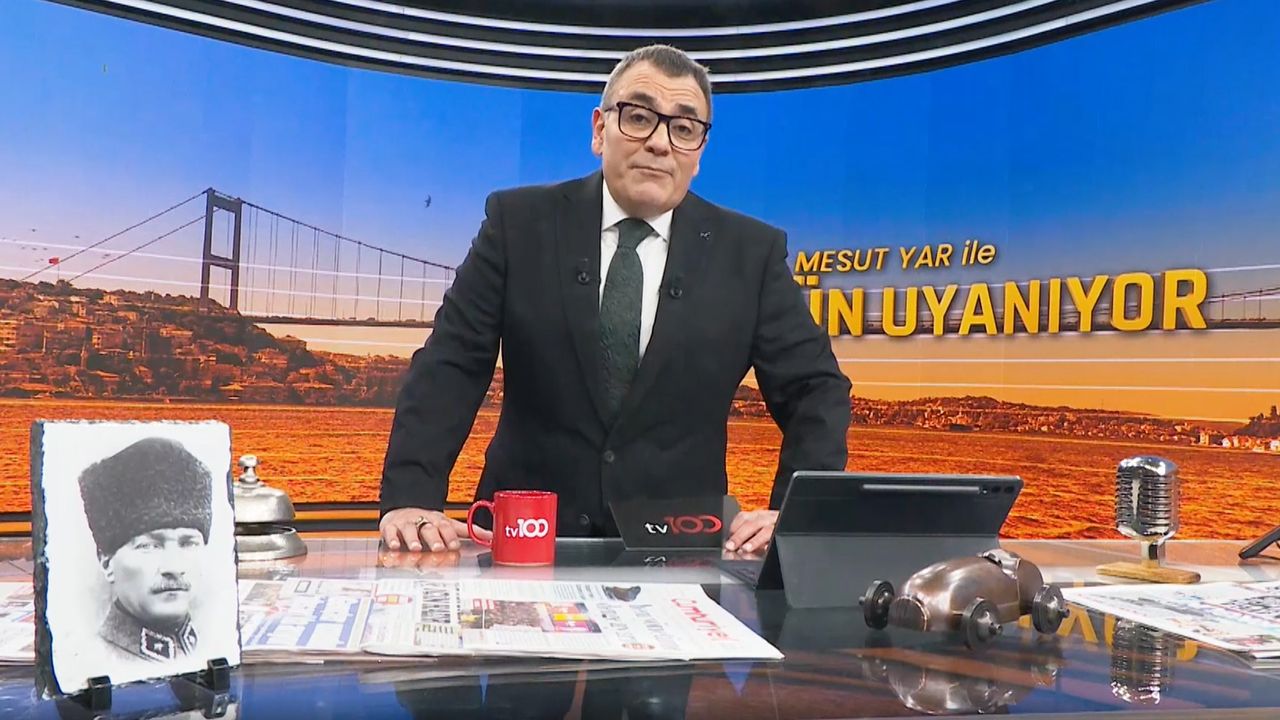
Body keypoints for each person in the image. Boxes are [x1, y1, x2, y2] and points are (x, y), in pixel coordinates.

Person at [380, 44, 851, 555]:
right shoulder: (517, 225)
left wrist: (795, 515)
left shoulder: (752, 254)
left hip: (680, 553)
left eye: (684, 127)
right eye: (640, 117)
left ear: (698, 153)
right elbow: (450, 367)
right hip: (523, 540)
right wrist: (411, 498)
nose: (660, 143)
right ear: (599, 129)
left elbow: (815, 390)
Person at [78, 436, 212, 663]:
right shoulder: (91, 659)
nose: (174, 567)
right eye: (149, 546)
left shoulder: (211, 646)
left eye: (188, 543)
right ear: (107, 562)